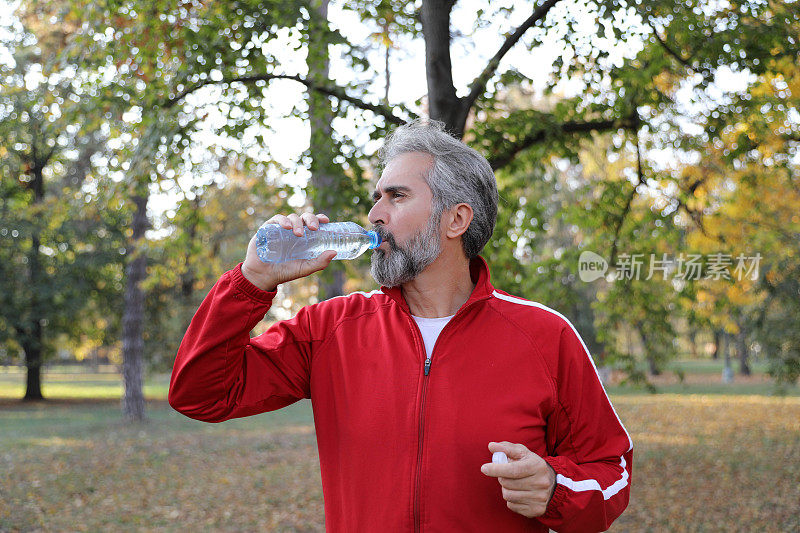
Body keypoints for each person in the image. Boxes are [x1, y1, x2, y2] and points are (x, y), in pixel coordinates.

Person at [169, 120, 633, 532]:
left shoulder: (545, 337)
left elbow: (611, 471)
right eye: (377, 198)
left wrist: (556, 489)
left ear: (456, 219)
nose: (374, 215)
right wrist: (251, 283)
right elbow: (200, 394)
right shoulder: (331, 329)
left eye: (398, 196)